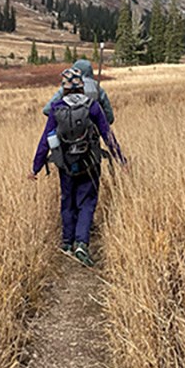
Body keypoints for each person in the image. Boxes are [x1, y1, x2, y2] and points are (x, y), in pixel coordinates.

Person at [28, 67, 125, 267]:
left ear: (64, 87)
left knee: (67, 201)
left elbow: (45, 140)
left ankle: (66, 243)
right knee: (87, 202)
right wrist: (120, 159)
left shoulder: (56, 108)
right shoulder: (93, 106)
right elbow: (108, 136)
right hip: (90, 163)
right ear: (81, 85)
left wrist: (35, 167)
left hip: (65, 165)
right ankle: (82, 243)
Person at [42, 58, 114, 124]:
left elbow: (47, 110)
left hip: (66, 134)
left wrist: (63, 119)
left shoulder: (66, 87)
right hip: (92, 135)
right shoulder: (98, 88)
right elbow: (110, 117)